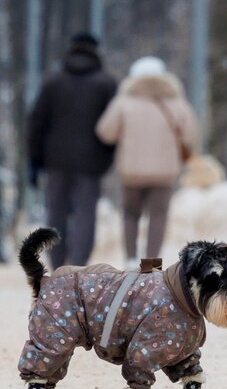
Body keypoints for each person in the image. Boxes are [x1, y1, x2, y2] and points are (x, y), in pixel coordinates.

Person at [96, 57, 199, 267]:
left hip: (131, 171)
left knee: (130, 215)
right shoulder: (177, 103)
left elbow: (105, 132)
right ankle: (151, 262)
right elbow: (190, 136)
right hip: (165, 172)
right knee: (158, 217)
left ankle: (131, 258)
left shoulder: (123, 103)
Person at [28, 32, 117, 268]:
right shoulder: (107, 83)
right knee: (85, 215)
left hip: (55, 161)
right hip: (91, 163)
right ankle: (78, 265)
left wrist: (35, 161)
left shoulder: (53, 81)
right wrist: (106, 160)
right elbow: (114, 126)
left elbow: (37, 122)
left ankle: (57, 265)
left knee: (55, 213)